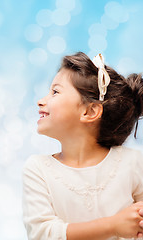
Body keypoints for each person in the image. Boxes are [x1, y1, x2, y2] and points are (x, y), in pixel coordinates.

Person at [22, 52, 143, 239]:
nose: (41, 101)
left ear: (90, 111)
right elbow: (42, 233)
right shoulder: (38, 169)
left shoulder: (134, 163)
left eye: (55, 92)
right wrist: (113, 226)